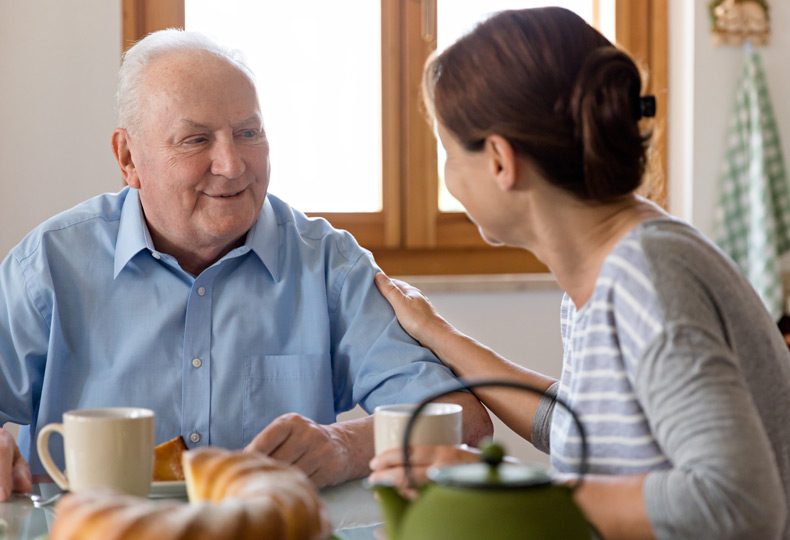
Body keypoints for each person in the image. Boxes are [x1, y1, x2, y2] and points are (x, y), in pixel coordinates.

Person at [0, 29, 492, 501]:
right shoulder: (49, 264)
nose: (232, 164)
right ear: (128, 157)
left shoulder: (327, 264)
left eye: (248, 132)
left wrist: (349, 446)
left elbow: (462, 421)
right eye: (196, 140)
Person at [368, 7, 790, 540]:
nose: (447, 174)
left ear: (499, 160)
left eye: (448, 152)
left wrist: (489, 485)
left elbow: (740, 503)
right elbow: (573, 427)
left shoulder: (647, 281)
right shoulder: (610, 268)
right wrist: (436, 332)